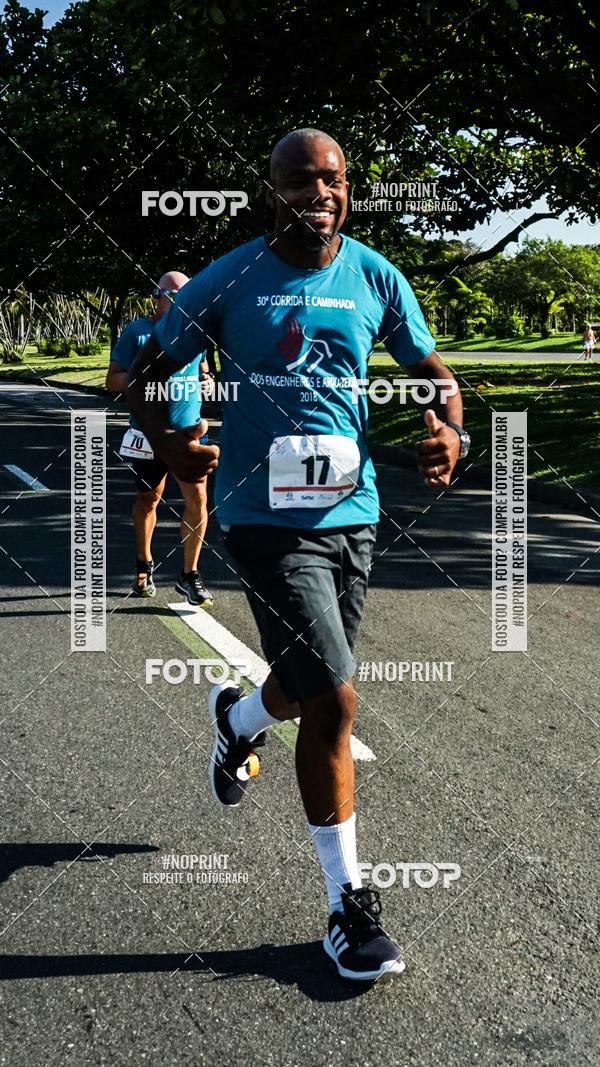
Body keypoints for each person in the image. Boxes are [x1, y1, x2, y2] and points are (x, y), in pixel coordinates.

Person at [127, 130, 469, 982]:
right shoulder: (231, 277)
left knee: (313, 679)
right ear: (269, 189)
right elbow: (148, 371)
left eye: (335, 178)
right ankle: (349, 907)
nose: (320, 192)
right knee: (337, 700)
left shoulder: (374, 275)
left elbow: (432, 370)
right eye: (300, 180)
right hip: (260, 521)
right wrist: (172, 447)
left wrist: (449, 428)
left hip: (353, 517)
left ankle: (236, 722)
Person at [105, 271, 213, 606]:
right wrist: (142, 379)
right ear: (158, 296)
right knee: (149, 500)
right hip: (147, 434)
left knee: (197, 502)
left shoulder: (195, 334)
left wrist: (207, 380)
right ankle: (143, 564)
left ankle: (190, 575)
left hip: (188, 433)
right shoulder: (137, 333)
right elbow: (112, 381)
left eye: (186, 295)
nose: (180, 301)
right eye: (173, 295)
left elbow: (203, 370)